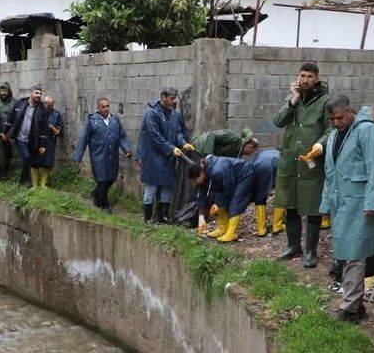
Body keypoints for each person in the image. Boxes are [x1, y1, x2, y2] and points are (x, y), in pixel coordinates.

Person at [319, 95, 374, 322]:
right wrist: (326, 202)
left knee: (354, 253)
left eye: (339, 117)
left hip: (360, 200)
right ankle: (356, 304)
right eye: (332, 119)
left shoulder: (368, 131)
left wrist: (373, 202)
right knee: (345, 252)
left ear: (351, 111)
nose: (336, 122)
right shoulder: (334, 135)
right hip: (342, 202)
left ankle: (350, 307)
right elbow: (330, 171)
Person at [273, 62, 330, 267]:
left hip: (312, 160)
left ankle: (311, 252)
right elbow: (278, 121)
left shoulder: (325, 101)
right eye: (302, 76)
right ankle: (293, 246)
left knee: (313, 206)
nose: (305, 80)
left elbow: (330, 129)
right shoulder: (292, 98)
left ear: (316, 78)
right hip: (291, 159)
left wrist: (320, 145)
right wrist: (293, 100)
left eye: (309, 76)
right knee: (291, 204)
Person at [138, 86, 194, 223]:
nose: (174, 101)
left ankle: (162, 216)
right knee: (152, 186)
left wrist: (183, 143)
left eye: (175, 98)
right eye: (171, 98)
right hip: (153, 156)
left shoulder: (175, 115)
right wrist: (170, 148)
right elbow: (155, 136)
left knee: (167, 186)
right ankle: (148, 217)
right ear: (163, 97)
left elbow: (179, 132)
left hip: (169, 157)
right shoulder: (152, 114)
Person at [72, 98, 132, 212]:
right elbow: (84, 139)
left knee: (111, 179)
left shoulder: (115, 120)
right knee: (102, 180)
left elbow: (121, 136)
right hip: (98, 155)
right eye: (103, 107)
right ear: (98, 108)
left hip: (112, 155)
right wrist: (77, 156)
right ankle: (105, 206)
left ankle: (96, 194)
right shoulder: (92, 121)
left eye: (107, 106)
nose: (106, 109)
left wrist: (126, 148)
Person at [189, 155, 256, 242]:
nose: (194, 183)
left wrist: (218, 204)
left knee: (235, 201)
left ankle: (231, 233)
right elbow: (201, 196)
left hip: (244, 175)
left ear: (201, 174)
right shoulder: (204, 175)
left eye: (195, 180)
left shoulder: (218, 171)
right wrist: (201, 218)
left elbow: (229, 189)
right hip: (228, 179)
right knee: (219, 199)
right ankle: (222, 228)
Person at [6, 85, 49, 186]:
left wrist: (42, 145)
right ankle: (26, 181)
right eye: (37, 93)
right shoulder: (20, 103)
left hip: (32, 139)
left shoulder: (41, 108)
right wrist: (6, 132)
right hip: (19, 137)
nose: (39, 95)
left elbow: (44, 128)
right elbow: (10, 117)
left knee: (28, 160)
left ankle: (22, 180)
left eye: (40, 94)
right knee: (26, 157)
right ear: (31, 93)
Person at [36, 95, 64, 187]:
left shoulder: (57, 114)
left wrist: (53, 128)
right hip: (39, 140)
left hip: (50, 140)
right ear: (44, 104)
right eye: (48, 105)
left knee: (48, 162)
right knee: (36, 161)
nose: (50, 107)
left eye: (52, 105)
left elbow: (60, 131)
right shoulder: (38, 112)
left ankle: (44, 183)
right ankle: (35, 183)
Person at [0, 81, 15, 173]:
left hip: (8, 133)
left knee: (7, 152)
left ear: (9, 92)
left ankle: (6, 171)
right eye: (2, 91)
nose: (3, 93)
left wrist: (10, 133)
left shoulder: (14, 102)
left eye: (5, 91)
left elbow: (16, 119)